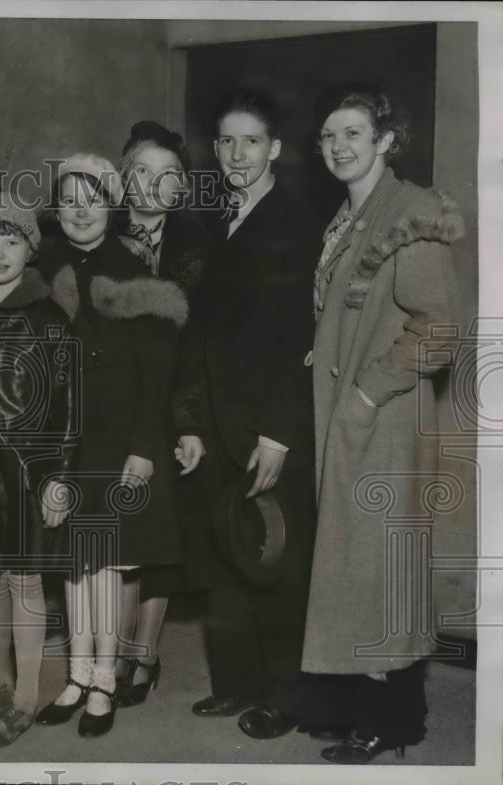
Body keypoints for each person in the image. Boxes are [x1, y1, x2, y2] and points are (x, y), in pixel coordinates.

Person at [303, 84, 463, 764]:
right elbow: (351, 310)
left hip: (385, 420)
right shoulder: (350, 213)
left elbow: (441, 329)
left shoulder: (413, 210)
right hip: (349, 418)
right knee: (356, 567)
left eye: (353, 134)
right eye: (329, 135)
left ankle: (392, 721)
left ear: (386, 140)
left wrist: (368, 390)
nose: (338, 145)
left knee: (376, 569)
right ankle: (372, 712)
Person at [179, 88, 319, 740]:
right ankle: (235, 683)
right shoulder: (218, 217)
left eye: (251, 141)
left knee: (275, 566)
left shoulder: (293, 223)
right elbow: (201, 333)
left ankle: (284, 697)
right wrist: (191, 423)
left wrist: (277, 434)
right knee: (227, 560)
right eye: (227, 141)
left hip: (268, 431)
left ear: (276, 150)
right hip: (217, 427)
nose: (237, 154)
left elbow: (298, 340)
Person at [34, 154, 188, 738]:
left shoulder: (133, 272)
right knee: (76, 562)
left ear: (111, 205)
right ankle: (76, 675)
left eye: (90, 198)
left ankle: (105, 678)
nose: (78, 209)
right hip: (71, 436)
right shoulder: (49, 267)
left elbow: (158, 375)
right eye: (68, 198)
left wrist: (146, 447)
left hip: (120, 435)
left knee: (111, 563)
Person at [0, 194, 76, 746]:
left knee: (27, 580)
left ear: (31, 249)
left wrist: (58, 475)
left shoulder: (49, 317)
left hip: (29, 472)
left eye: (11, 241)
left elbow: (67, 404)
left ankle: (27, 693)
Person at [114, 121, 210, 708]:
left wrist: (190, 420)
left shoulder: (197, 242)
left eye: (168, 175)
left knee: (160, 535)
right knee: (116, 531)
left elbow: (200, 341)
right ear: (125, 178)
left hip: (173, 401)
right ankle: (108, 650)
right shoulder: (96, 228)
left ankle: (144, 654)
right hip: (113, 401)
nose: (154, 184)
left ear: (181, 187)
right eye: (143, 172)